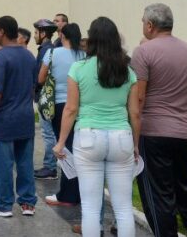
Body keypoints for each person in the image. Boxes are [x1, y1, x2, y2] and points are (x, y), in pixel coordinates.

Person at [54, 17, 141, 237]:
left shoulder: (79, 68)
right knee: (123, 208)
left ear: (91, 39)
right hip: (122, 138)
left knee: (91, 209)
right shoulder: (128, 72)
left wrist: (62, 142)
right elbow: (135, 113)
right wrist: (136, 145)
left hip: (88, 138)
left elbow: (71, 109)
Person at [131, 4, 187, 237]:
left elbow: (140, 97)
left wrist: (134, 138)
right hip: (185, 133)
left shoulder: (143, 52)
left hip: (153, 133)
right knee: (185, 191)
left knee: (158, 197)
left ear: (149, 25)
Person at [0, 15, 37, 219]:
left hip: (4, 119)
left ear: (2, 31)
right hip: (25, 117)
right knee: (25, 162)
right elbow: (32, 86)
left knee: (3, 163)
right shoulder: (29, 56)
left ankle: (3, 204)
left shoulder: (1, 57)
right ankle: (28, 202)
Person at [41, 23, 86, 208]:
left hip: (59, 105)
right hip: (81, 105)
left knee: (64, 148)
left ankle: (67, 194)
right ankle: (79, 191)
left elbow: (40, 78)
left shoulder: (52, 53)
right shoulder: (84, 55)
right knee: (77, 147)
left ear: (62, 35)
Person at [33, 18, 59, 180]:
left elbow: (40, 76)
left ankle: (50, 167)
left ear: (43, 33)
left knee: (48, 133)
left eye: (36, 32)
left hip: (45, 97)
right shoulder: (45, 48)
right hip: (46, 96)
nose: (35, 35)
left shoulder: (46, 50)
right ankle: (50, 165)